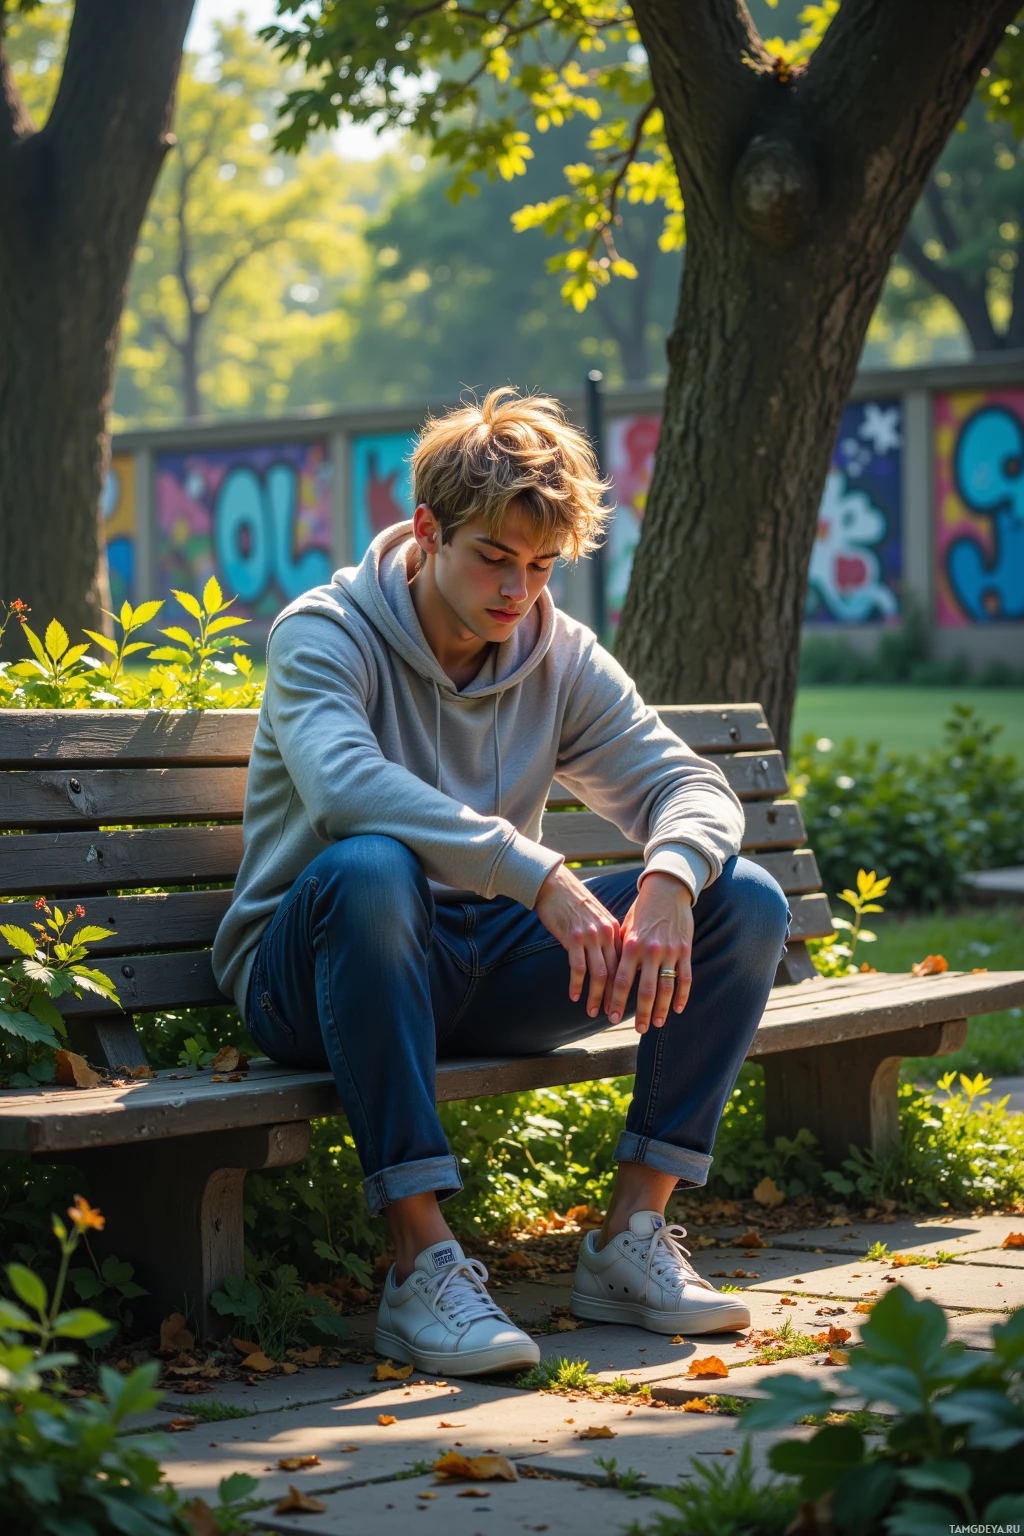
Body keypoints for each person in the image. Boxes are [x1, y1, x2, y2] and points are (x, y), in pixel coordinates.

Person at [213, 388, 789, 1378]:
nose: (517, 589)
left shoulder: (556, 655)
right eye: (493, 557)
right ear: (427, 532)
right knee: (369, 866)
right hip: (318, 973)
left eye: (540, 565)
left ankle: (629, 1241)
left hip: (475, 966)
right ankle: (420, 1262)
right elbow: (348, 790)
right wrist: (539, 874)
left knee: (741, 899)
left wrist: (668, 876)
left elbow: (685, 783)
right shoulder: (326, 633)